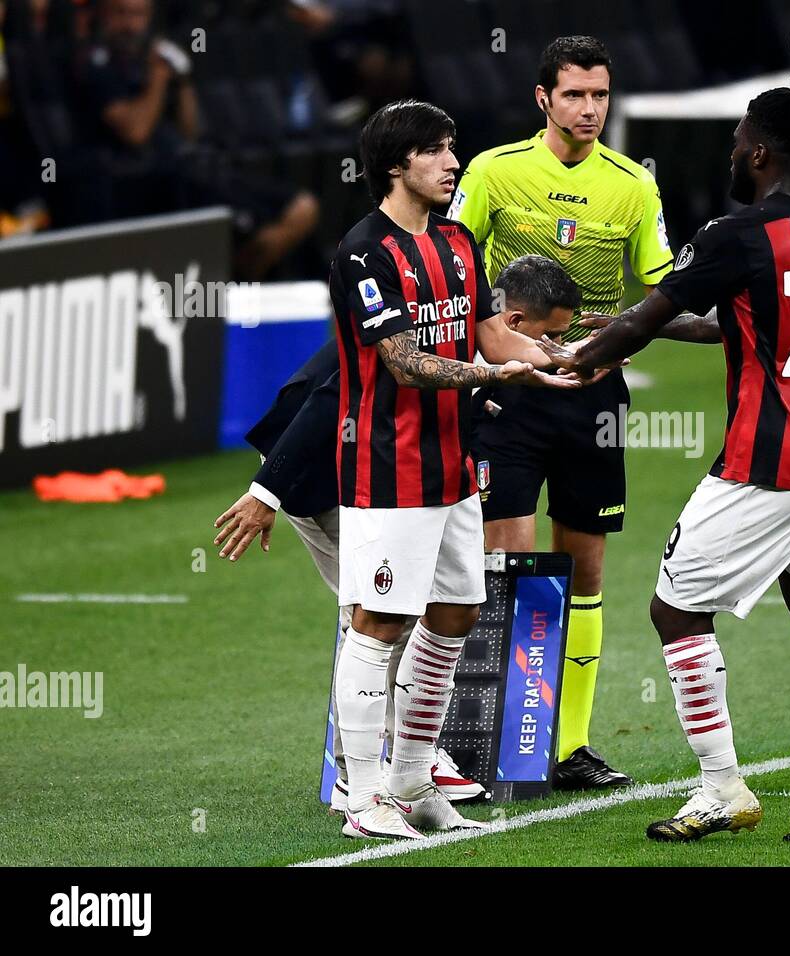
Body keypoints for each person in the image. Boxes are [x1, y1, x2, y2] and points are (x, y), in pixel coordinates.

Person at [541, 75, 790, 844]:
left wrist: (573, 358)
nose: (732, 152)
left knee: (674, 609)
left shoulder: (735, 233)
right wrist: (632, 327)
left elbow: (649, 314)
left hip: (768, 461)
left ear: (760, 151)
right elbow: (741, 325)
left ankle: (720, 788)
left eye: (739, 140)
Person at [450, 35, 714, 790]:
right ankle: (489, 747)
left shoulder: (633, 185)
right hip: (508, 394)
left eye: (600, 95)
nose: (590, 109)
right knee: (508, 565)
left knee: (584, 573)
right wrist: (505, 344)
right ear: (544, 98)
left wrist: (646, 331)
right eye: (574, 94)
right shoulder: (494, 173)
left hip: (592, 398)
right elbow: (455, 272)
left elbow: (666, 291)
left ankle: (567, 747)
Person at [327, 98, 580, 839]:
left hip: (453, 464)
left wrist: (549, 360)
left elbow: (487, 331)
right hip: (386, 466)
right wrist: (490, 376)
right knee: (377, 623)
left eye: (452, 148)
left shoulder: (459, 242)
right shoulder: (364, 253)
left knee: (458, 611)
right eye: (437, 151)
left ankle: (411, 782)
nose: (452, 162)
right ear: (397, 164)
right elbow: (404, 363)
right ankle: (364, 796)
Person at [212, 340, 487, 810]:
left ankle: (409, 763)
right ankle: (354, 775)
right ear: (514, 321)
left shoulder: (469, 333)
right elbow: (318, 408)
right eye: (552, 336)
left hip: (379, 468)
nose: (552, 347)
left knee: (400, 611)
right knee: (375, 614)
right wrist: (268, 492)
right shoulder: (421, 333)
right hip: (312, 471)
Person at [77, 0, 319, 277]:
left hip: (192, 171)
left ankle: (241, 275)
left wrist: (182, 81)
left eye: (138, 15)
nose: (130, 25)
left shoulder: (149, 60)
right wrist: (158, 77)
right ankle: (234, 282)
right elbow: (136, 132)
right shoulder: (97, 63)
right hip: (148, 184)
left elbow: (189, 131)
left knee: (302, 208)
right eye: (121, 14)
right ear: (103, 16)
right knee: (271, 223)